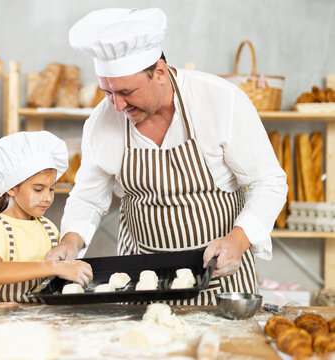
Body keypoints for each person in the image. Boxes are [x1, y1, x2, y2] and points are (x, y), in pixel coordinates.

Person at [47, 8, 287, 305]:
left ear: (159, 72)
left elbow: (269, 182)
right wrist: (71, 240)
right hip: (138, 283)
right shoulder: (102, 120)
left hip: (219, 276)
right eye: (107, 92)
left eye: (126, 92)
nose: (117, 106)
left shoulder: (221, 101)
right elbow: (88, 196)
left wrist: (239, 240)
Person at [0, 131, 93, 302]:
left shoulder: (48, 228)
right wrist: (53, 266)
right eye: (38, 189)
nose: (48, 197)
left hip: (36, 319)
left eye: (51, 188)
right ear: (12, 188)